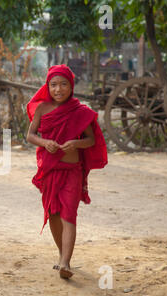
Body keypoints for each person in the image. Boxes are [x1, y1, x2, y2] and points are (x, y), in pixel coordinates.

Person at [26, 64, 107, 279]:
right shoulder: (42, 109)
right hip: (50, 170)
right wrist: (44, 143)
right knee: (53, 213)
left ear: (71, 86)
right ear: (47, 87)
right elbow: (30, 135)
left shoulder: (80, 112)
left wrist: (76, 144)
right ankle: (62, 253)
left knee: (69, 214)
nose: (58, 89)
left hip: (72, 170)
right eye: (53, 85)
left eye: (63, 84)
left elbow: (91, 140)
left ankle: (65, 262)